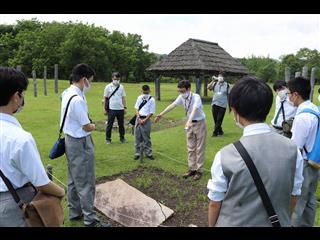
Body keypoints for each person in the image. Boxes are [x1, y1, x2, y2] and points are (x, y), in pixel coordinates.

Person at [207, 76, 304, 227]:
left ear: (234, 110)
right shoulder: (293, 149)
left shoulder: (224, 156)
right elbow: (294, 195)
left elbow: (215, 202)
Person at [0, 67, 65, 227]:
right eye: (23, 93)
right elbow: (41, 182)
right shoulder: (20, 138)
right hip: (13, 206)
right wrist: (62, 192)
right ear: (16, 96)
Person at [61, 63, 109, 227]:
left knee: (73, 178)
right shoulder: (77, 100)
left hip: (69, 139)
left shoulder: (67, 92)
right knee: (86, 181)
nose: (91, 84)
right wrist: (95, 126)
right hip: (80, 141)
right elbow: (86, 126)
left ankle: (74, 212)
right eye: (90, 80)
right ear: (83, 80)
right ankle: (90, 218)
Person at [155, 80, 207, 181]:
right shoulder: (181, 97)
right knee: (190, 147)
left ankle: (199, 171)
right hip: (190, 123)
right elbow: (172, 105)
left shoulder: (196, 97)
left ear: (188, 89)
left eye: (182, 91)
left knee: (199, 148)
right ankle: (192, 169)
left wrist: (189, 120)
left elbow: (195, 109)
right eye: (179, 91)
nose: (181, 93)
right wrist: (161, 114)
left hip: (199, 123)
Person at [288, 77, 320, 227]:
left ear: (296, 94)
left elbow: (295, 147)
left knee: (298, 203)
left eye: (289, 94)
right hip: (316, 162)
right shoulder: (315, 109)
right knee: (310, 201)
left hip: (305, 164)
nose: (288, 97)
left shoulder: (302, 117)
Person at [103, 72, 128, 144]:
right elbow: (105, 98)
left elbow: (123, 98)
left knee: (121, 124)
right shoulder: (108, 87)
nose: (116, 80)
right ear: (112, 78)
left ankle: (122, 138)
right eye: (115, 79)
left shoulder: (121, 87)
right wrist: (104, 109)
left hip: (120, 108)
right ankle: (108, 139)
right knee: (109, 124)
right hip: (111, 108)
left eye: (117, 79)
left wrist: (125, 107)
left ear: (119, 79)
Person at [133, 85, 156, 160]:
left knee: (146, 138)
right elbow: (136, 108)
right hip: (139, 118)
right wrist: (139, 118)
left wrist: (144, 120)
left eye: (146, 92)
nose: (145, 94)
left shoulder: (152, 100)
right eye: (144, 92)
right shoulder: (139, 97)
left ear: (149, 91)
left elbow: (151, 112)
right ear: (141, 91)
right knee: (137, 137)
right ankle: (137, 153)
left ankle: (149, 153)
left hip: (146, 119)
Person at [207, 71, 230, 137]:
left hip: (223, 105)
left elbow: (230, 95)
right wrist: (213, 81)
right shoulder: (214, 83)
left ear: (224, 78)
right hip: (214, 103)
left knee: (219, 119)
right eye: (219, 76)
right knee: (215, 119)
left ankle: (215, 133)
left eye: (222, 76)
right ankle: (220, 131)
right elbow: (208, 88)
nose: (220, 77)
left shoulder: (227, 85)